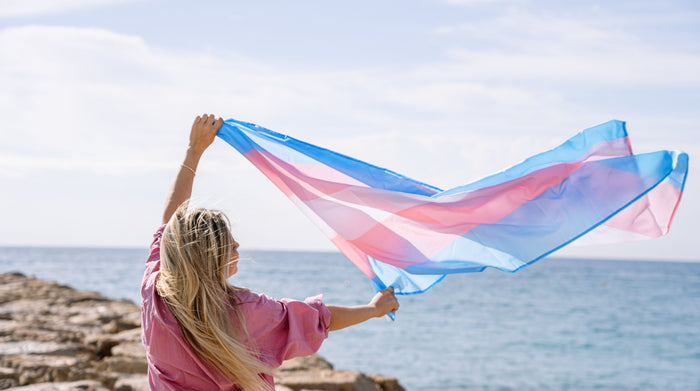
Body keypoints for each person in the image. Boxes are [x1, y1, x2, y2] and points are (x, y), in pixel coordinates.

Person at [141, 114, 399, 391]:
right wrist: (374, 309)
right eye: (229, 243)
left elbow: (170, 222)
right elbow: (320, 319)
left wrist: (193, 152)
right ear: (212, 258)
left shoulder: (154, 291)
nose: (237, 246)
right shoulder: (245, 312)